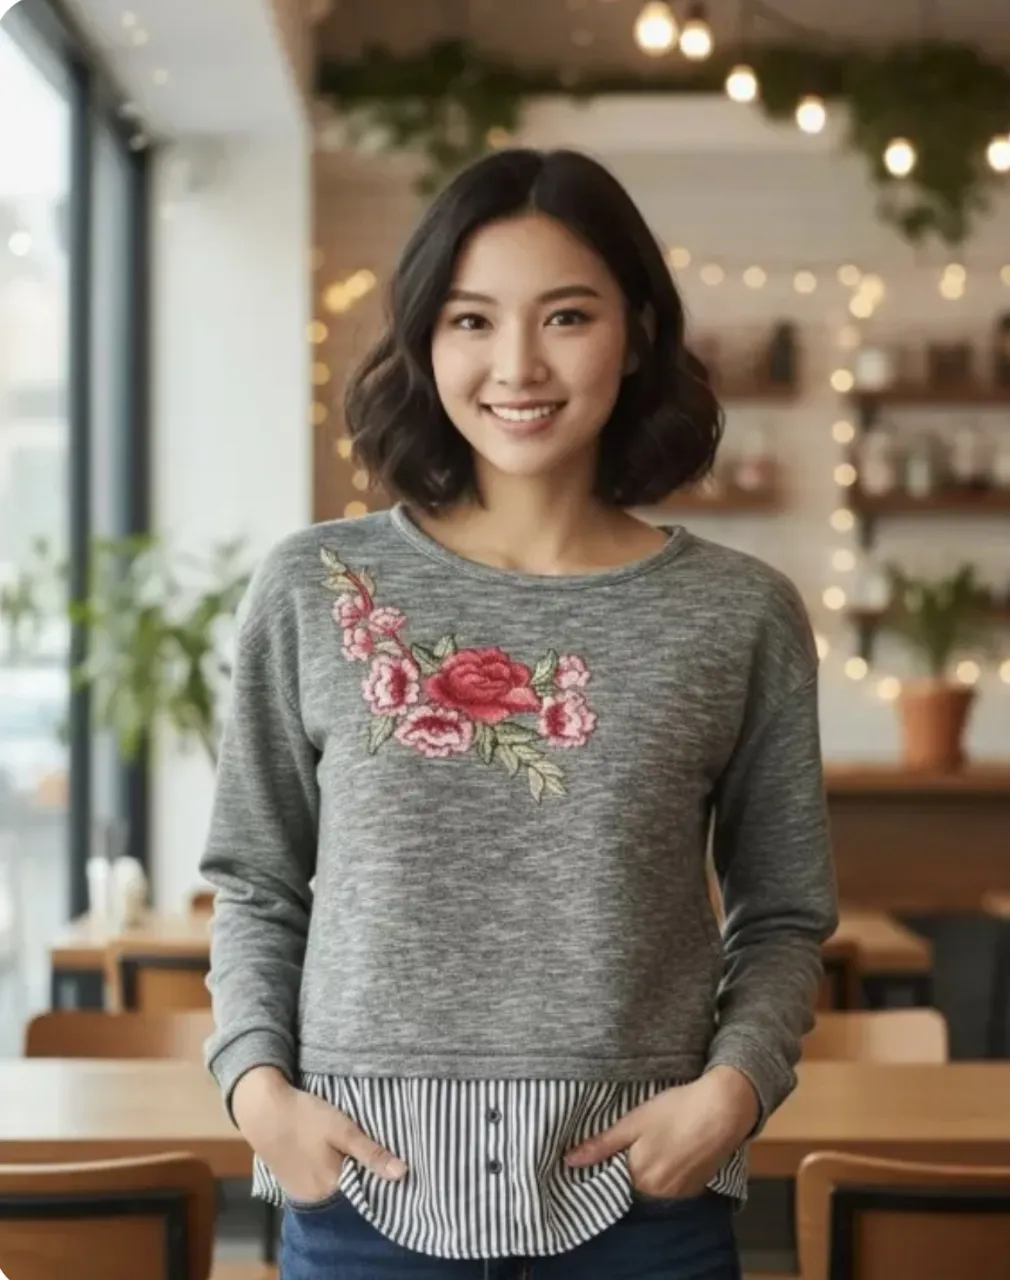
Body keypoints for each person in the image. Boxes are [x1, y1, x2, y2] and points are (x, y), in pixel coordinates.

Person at [200, 147, 837, 1280]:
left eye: (566, 316)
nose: (516, 364)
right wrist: (260, 1093)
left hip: (643, 1207)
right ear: (422, 341)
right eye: (469, 320)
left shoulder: (738, 614)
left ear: (636, 332)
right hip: (362, 1201)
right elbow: (254, 875)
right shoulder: (314, 587)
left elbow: (782, 912)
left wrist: (731, 1094)